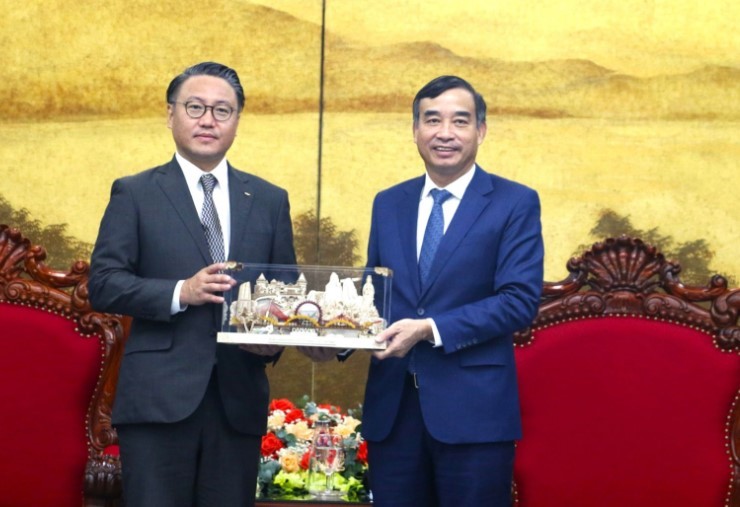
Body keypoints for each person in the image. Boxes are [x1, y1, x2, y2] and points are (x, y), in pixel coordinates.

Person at [89, 62, 321, 507]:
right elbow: (104, 283)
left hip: (237, 401)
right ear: (170, 114)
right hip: (158, 400)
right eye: (195, 107)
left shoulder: (270, 200)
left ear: (237, 121)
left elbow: (285, 289)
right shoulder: (135, 193)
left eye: (222, 110)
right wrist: (181, 292)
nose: (208, 120)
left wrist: (275, 340)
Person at [362, 75, 545, 506]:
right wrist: (330, 339)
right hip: (393, 410)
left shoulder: (514, 202)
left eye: (459, 121)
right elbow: (374, 293)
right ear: (415, 131)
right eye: (432, 120)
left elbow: (519, 300)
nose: (445, 133)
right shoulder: (388, 202)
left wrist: (429, 328)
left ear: (480, 131)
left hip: (474, 414)